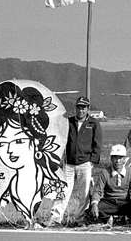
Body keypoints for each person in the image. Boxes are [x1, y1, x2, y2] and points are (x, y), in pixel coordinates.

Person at [0, 81, 66, 229]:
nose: (9, 150)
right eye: (2, 143)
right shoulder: (6, 190)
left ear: (35, 141)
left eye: (19, 141)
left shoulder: (53, 182)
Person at [49, 96, 102, 226]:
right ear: (76, 108)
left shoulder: (94, 123)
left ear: (88, 109)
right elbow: (61, 141)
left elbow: (97, 144)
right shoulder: (69, 122)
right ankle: (55, 218)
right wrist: (60, 159)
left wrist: (92, 161)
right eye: (79, 107)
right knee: (63, 191)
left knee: (84, 193)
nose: (81, 110)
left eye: (84, 107)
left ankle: (79, 219)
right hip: (69, 164)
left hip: (85, 163)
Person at [87, 144, 131, 224]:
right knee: (92, 209)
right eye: (115, 158)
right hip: (109, 202)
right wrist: (94, 204)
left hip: (125, 203)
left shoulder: (130, 172)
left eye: (120, 158)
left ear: (124, 159)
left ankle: (126, 217)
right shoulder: (105, 172)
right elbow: (98, 191)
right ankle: (109, 218)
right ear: (111, 158)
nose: (118, 161)